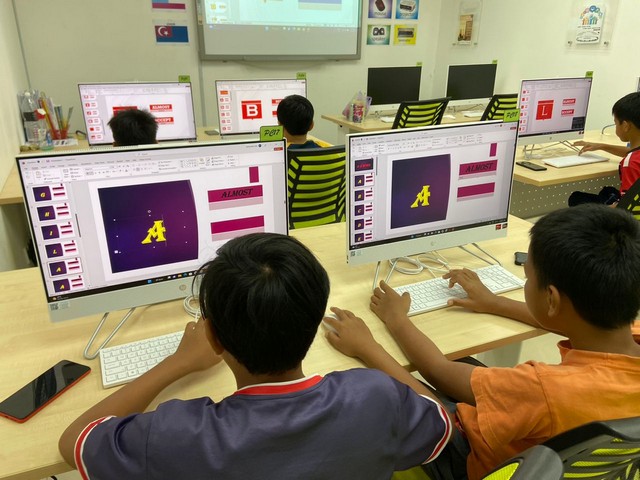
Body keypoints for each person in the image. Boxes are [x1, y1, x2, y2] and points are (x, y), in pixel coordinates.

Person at [58, 233, 452, 479]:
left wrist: (177, 362)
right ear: (315, 318)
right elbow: (440, 419)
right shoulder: (375, 396)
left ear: (214, 337)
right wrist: (370, 348)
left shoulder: (175, 436)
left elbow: (73, 441)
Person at [325, 205, 640, 480]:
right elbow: (566, 317)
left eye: (528, 277)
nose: (526, 281)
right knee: (463, 365)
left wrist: (382, 333)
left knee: (391, 386)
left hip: (469, 458)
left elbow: (437, 375)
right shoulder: (625, 331)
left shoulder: (542, 389)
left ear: (552, 299)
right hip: (550, 451)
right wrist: (495, 303)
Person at [569, 92, 640, 206]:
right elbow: (635, 153)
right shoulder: (635, 157)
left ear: (626, 126)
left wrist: (606, 210)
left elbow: (628, 207)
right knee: (607, 191)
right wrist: (602, 146)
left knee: (577, 199)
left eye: (615, 123)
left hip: (625, 214)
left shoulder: (630, 163)